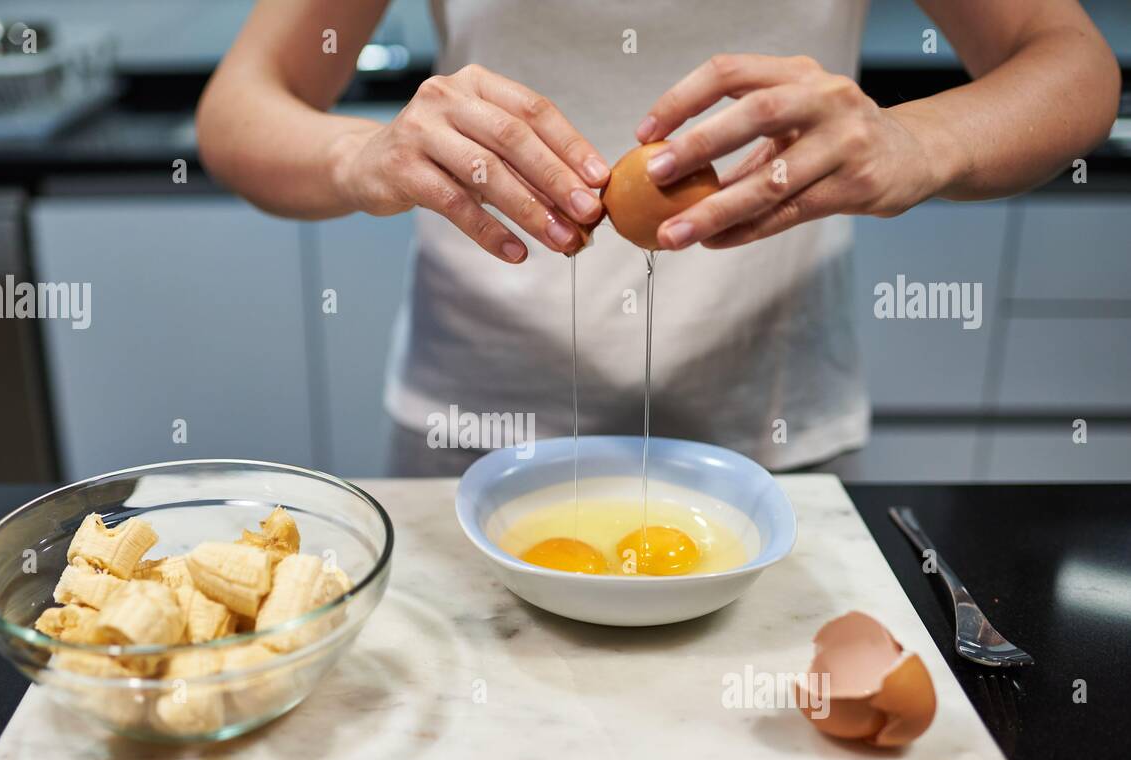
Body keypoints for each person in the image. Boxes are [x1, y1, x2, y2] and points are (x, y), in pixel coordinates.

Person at [196, 1, 1119, 476]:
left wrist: (926, 138)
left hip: (771, 433)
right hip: (474, 433)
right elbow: (242, 101)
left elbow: (1069, 57)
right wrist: (363, 156)